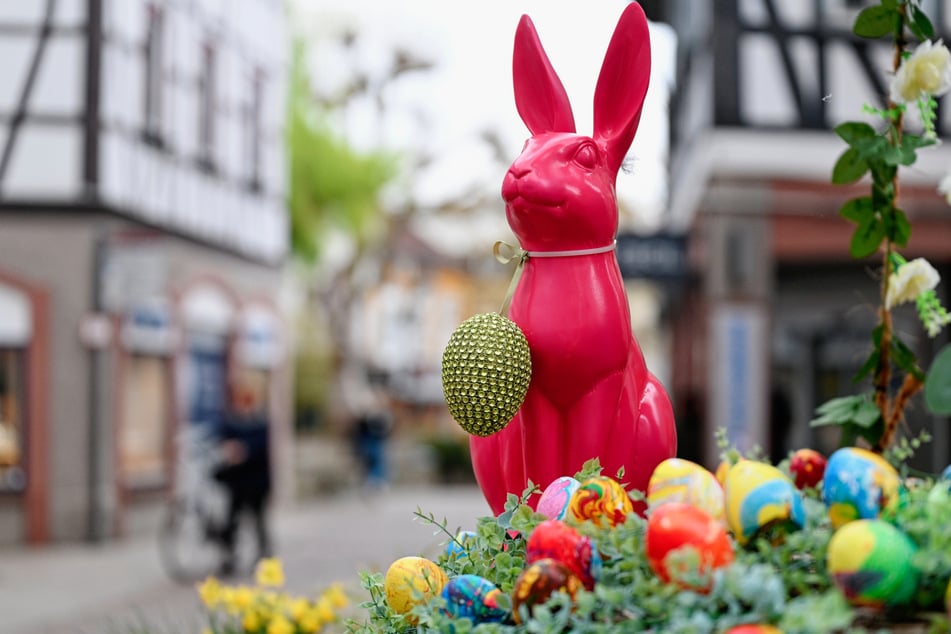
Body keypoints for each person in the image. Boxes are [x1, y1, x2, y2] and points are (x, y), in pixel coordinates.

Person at [214, 381, 272, 576]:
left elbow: (260, 448)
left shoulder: (260, 423)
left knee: (258, 520)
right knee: (232, 521)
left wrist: (243, 451)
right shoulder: (231, 423)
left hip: (256, 483)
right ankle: (229, 557)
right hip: (237, 483)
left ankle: (264, 556)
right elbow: (221, 442)